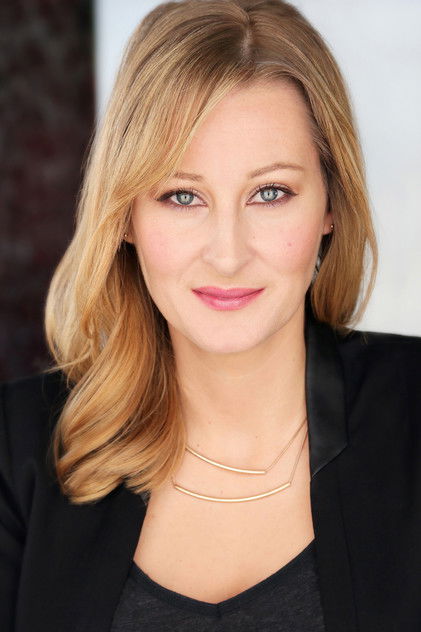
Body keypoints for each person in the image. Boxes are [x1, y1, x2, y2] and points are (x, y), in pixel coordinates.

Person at [1, 0, 420, 630]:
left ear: (330, 205)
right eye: (182, 196)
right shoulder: (15, 454)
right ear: (125, 216)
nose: (227, 254)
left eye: (270, 193)